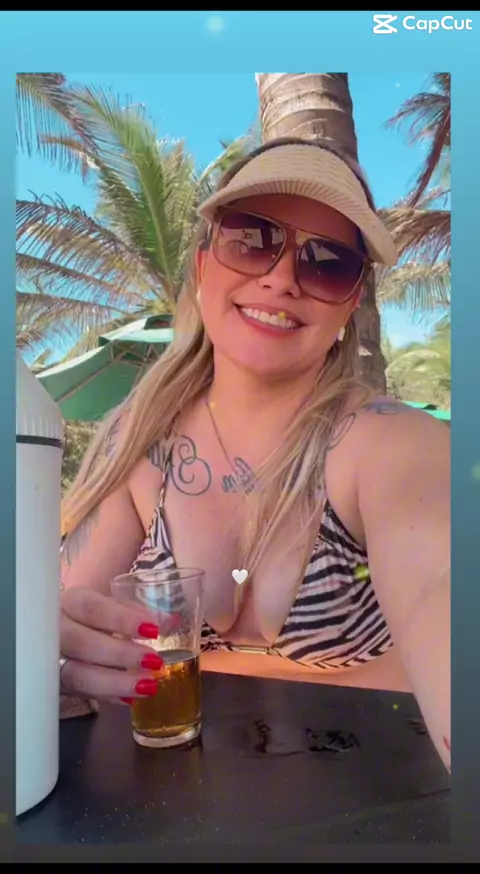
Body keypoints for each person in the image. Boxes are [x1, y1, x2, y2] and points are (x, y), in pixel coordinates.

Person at [59, 138, 450, 771]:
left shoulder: (387, 441)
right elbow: (63, 625)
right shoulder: (139, 440)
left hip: (374, 802)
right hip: (169, 804)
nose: (282, 278)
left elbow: (442, 583)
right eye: (251, 239)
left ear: (351, 302)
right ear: (203, 264)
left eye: (327, 263)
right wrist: (54, 658)